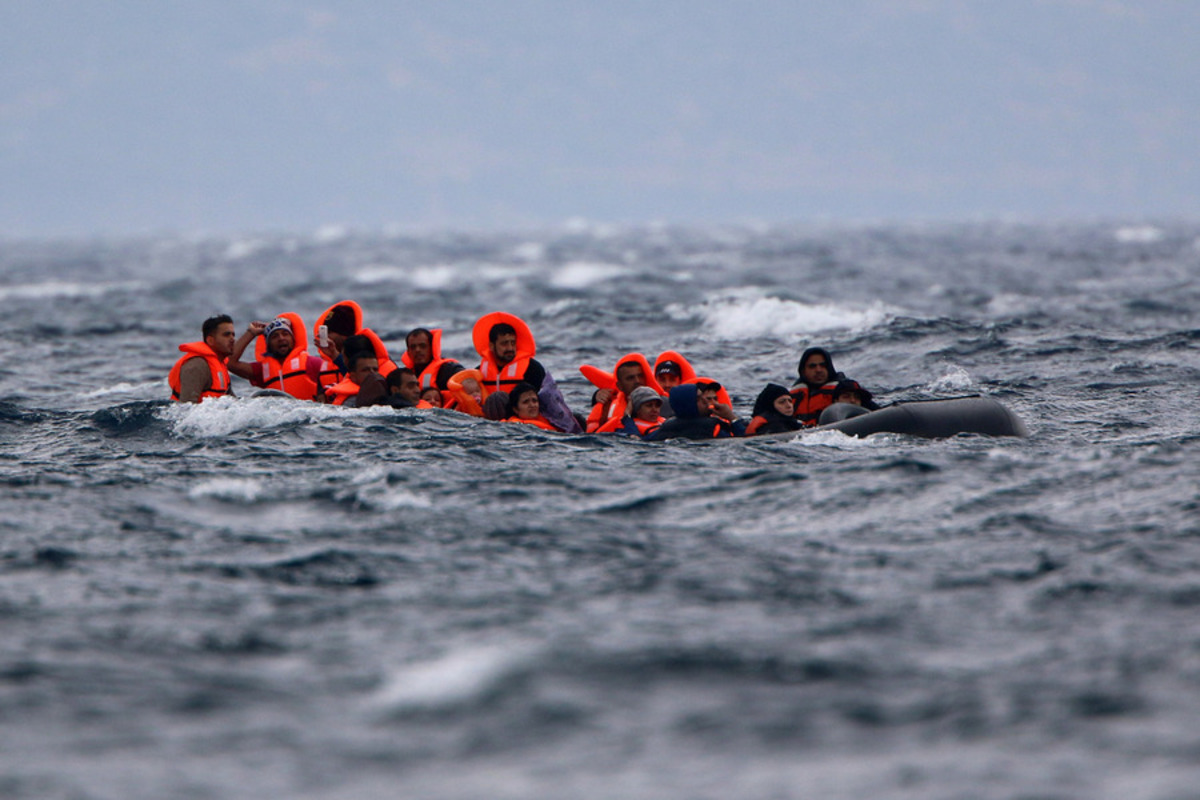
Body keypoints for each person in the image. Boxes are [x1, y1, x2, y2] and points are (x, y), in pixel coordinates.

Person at [471, 311, 582, 433]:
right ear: (491, 346)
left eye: (513, 343)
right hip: (488, 425)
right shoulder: (479, 371)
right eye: (504, 343)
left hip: (524, 428)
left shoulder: (532, 368)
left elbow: (547, 403)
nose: (510, 348)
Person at [312, 300, 397, 398]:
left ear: (344, 334)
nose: (326, 336)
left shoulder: (378, 364)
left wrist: (336, 358)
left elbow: (367, 387)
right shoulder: (325, 365)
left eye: (330, 332)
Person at [226, 313, 322, 400]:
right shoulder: (263, 370)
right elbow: (230, 363)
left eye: (285, 334)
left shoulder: (312, 363)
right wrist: (251, 333)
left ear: (293, 339)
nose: (281, 338)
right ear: (268, 345)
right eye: (274, 336)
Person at [168, 314, 246, 402]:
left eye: (233, 335)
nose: (232, 339)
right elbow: (185, 408)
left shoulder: (221, 365)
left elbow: (234, 402)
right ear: (210, 341)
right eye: (226, 335)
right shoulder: (197, 367)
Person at [580, 353, 663, 433]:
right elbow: (592, 436)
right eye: (630, 378)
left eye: (640, 376)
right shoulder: (606, 405)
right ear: (619, 386)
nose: (637, 381)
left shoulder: (663, 403)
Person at [647, 381, 746, 441]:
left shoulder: (664, 429)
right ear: (688, 403)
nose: (705, 401)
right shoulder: (713, 428)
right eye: (698, 398)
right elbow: (745, 438)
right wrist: (732, 418)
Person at [789, 347, 844, 426]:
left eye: (823, 365)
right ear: (803, 371)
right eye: (812, 366)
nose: (818, 370)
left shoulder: (846, 391)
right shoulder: (790, 398)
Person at [322, 335, 383, 407]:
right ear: (353, 376)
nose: (372, 373)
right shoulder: (350, 402)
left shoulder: (386, 386)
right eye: (366, 370)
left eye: (375, 369)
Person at [401, 327, 463, 392]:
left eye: (423, 346)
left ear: (432, 348)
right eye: (413, 347)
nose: (417, 350)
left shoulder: (448, 370)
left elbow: (466, 377)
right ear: (408, 352)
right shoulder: (404, 376)